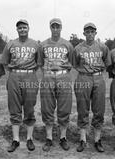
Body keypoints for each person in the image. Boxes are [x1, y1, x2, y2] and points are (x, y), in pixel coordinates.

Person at [1, 19, 40, 152]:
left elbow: (39, 62)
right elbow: (5, 62)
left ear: (28, 28)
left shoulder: (35, 44)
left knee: (29, 107)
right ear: (16, 30)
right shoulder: (11, 44)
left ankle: (29, 138)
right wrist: (13, 72)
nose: (22, 30)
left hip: (30, 76)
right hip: (14, 76)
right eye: (20, 28)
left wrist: (29, 72)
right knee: (14, 107)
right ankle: (16, 140)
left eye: (24, 27)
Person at [39, 18, 74, 152]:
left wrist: (62, 72)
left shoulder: (68, 44)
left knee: (64, 107)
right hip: (48, 76)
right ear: (50, 28)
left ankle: (63, 137)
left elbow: (71, 63)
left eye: (57, 27)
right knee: (47, 107)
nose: (55, 29)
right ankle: (49, 138)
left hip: (63, 76)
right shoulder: (43, 45)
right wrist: (48, 73)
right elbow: (40, 63)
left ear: (61, 28)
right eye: (53, 27)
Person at [73, 23, 109, 152]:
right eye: (87, 31)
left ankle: (97, 139)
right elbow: (74, 63)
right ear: (84, 33)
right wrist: (85, 71)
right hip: (83, 77)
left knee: (99, 109)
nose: (90, 34)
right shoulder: (78, 48)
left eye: (92, 31)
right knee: (83, 108)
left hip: (98, 78)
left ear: (95, 33)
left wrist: (97, 72)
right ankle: (83, 139)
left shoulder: (102, 47)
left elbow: (107, 62)